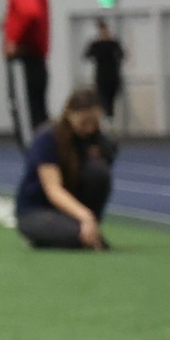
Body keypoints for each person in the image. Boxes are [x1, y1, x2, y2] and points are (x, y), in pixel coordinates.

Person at [16, 88, 117, 251]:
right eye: (84, 122)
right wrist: (86, 216)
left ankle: (86, 231)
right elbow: (53, 190)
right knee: (77, 236)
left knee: (98, 173)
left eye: (95, 122)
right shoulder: (47, 138)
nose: (90, 129)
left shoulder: (102, 142)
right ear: (69, 114)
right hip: (36, 211)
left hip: (70, 211)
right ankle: (70, 232)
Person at [0, 0, 50, 150]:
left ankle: (37, 176)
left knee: (27, 125)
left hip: (24, 61)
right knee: (37, 119)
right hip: (35, 62)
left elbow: (30, 12)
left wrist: (14, 39)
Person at [85, 20, 125, 121]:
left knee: (111, 99)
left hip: (113, 75)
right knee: (103, 98)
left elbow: (122, 55)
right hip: (101, 76)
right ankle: (106, 118)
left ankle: (110, 117)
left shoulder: (114, 43)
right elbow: (87, 55)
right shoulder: (96, 44)